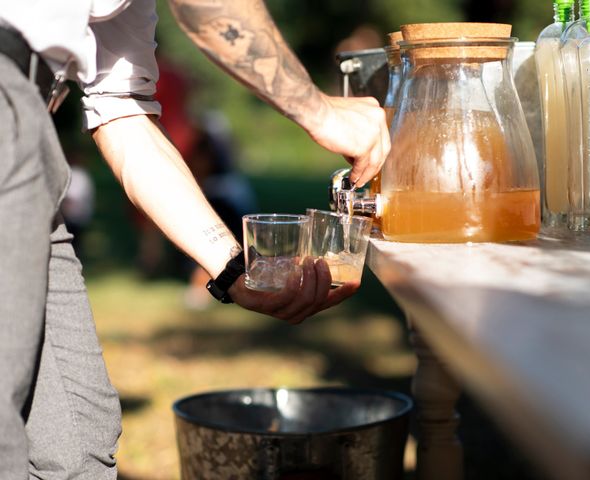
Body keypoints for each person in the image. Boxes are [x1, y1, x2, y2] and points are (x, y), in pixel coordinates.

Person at [0, 1, 390, 478]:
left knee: (76, 446)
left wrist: (231, 270)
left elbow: (121, 112)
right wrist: (320, 111)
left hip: (29, 124)